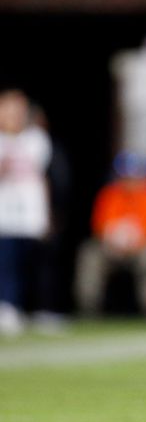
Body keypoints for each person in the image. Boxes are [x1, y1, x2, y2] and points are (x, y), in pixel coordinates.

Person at [74, 152, 146, 317]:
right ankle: (88, 310)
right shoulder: (111, 194)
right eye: (126, 176)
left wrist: (134, 240)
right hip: (113, 248)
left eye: (134, 175)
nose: (130, 180)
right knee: (89, 253)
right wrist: (114, 239)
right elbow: (100, 226)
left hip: (143, 246)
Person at [0, 89, 52, 336]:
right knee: (8, 263)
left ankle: (40, 309)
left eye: (19, 110)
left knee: (35, 263)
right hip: (5, 212)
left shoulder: (36, 139)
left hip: (31, 212)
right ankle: (9, 307)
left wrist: (47, 213)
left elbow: (41, 175)